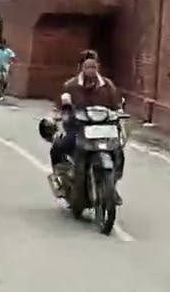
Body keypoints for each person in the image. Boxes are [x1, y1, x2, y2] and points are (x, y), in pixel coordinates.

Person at [49, 49, 125, 203]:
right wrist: (60, 114)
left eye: (94, 65)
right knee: (59, 146)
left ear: (98, 66)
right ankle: (62, 179)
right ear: (81, 67)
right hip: (78, 128)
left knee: (118, 152)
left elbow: (116, 107)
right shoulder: (71, 86)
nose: (91, 69)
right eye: (87, 66)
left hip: (103, 129)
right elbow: (59, 108)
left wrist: (120, 115)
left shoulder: (107, 85)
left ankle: (111, 185)